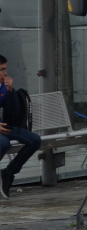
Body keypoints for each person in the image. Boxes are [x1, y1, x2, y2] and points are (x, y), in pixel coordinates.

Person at [0, 56, 41, 199]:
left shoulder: (2, 88)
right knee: (3, 143)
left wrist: (10, 91)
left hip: (3, 126)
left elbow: (13, 114)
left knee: (34, 140)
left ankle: (8, 173)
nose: (5, 73)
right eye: (1, 70)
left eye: (5, 69)